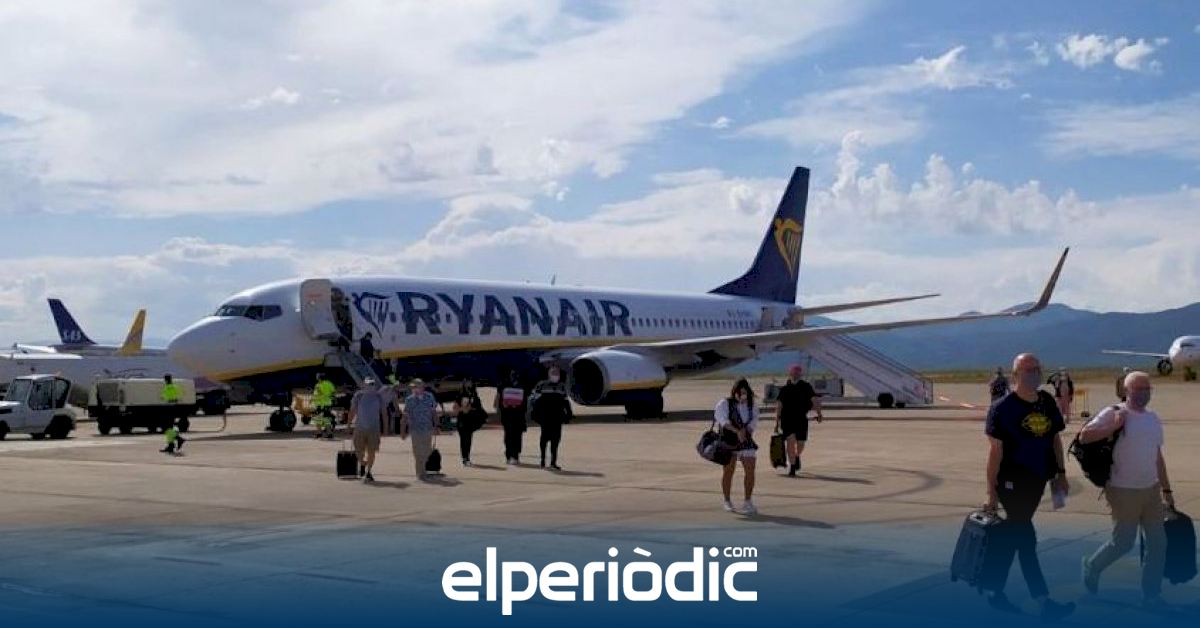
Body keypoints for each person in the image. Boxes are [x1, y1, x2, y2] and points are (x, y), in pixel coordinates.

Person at [981, 353, 1075, 619]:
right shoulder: (1002, 408)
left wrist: (1061, 473)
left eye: (1037, 369)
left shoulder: (1046, 401)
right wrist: (991, 493)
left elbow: (1055, 439)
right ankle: (1043, 600)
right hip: (1011, 482)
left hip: (1038, 480)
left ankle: (994, 592)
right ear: (1015, 375)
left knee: (1014, 537)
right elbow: (995, 453)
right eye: (1027, 370)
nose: (1034, 374)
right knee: (1026, 539)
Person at [1079, 371, 1174, 608]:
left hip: (1150, 489)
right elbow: (1084, 436)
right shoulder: (1114, 412)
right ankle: (1093, 565)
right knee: (1123, 543)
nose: (1143, 393)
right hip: (1123, 490)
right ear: (1126, 390)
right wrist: (1113, 426)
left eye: (1147, 389)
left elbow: (1157, 457)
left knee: (1158, 544)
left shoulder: (1153, 418)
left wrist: (1166, 489)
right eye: (1138, 389)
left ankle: (1151, 595)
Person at [715, 379, 759, 515]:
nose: (742, 396)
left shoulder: (752, 405)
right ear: (734, 392)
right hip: (729, 440)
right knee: (729, 470)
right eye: (739, 393)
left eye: (745, 393)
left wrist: (746, 431)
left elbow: (753, 422)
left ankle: (748, 501)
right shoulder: (724, 403)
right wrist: (737, 431)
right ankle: (727, 500)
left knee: (750, 469)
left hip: (745, 440)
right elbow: (723, 421)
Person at [774, 364, 822, 476]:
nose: (795, 375)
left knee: (801, 443)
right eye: (793, 373)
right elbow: (779, 405)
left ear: (800, 374)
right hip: (787, 419)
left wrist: (819, 413)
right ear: (790, 373)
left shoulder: (806, 387)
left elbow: (814, 400)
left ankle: (796, 456)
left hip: (801, 419)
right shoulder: (784, 389)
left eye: (797, 373)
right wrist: (776, 421)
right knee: (790, 442)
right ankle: (792, 467)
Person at [530, 366, 572, 470]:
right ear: (549, 374)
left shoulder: (561, 386)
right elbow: (534, 399)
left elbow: (566, 401)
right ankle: (542, 460)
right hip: (545, 417)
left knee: (555, 440)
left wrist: (569, 413)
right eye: (553, 373)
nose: (555, 375)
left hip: (557, 417)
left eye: (557, 373)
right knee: (544, 439)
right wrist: (534, 413)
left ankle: (553, 462)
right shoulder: (541, 385)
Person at [349, 378, 387, 483]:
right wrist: (348, 424)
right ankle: (362, 463)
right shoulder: (358, 395)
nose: (370, 386)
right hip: (360, 427)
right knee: (358, 449)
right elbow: (352, 411)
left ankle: (368, 472)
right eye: (368, 384)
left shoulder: (379, 397)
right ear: (364, 385)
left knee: (372, 451)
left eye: (372, 384)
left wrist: (386, 428)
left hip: (374, 429)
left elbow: (384, 413)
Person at [400, 378, 439, 479]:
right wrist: (402, 431)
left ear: (422, 387)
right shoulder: (409, 400)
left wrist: (437, 426)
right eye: (413, 387)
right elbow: (405, 416)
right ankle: (420, 473)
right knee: (417, 452)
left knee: (427, 451)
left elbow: (434, 412)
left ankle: (422, 469)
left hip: (427, 428)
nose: (414, 389)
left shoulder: (429, 397)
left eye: (416, 387)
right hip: (415, 429)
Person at [496, 371, 527, 465]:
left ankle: (515, 455)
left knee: (517, 436)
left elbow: (525, 401)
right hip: (507, 415)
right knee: (509, 435)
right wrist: (504, 405)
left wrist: (518, 406)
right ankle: (509, 455)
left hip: (519, 415)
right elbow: (500, 400)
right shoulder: (503, 385)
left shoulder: (522, 385)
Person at [454, 394, 488, 467]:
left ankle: (466, 457)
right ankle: (465, 458)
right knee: (464, 440)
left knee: (468, 440)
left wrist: (471, 408)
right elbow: (455, 409)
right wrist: (463, 409)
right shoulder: (460, 396)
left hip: (471, 423)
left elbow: (479, 408)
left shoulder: (475, 396)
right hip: (462, 422)